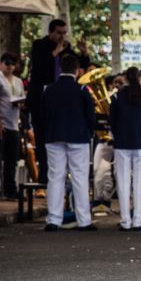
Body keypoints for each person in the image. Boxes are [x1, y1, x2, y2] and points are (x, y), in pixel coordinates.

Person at [27, 19, 90, 186]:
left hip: (59, 100)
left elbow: (78, 65)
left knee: (56, 137)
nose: (62, 36)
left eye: (64, 33)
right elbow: (38, 66)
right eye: (59, 33)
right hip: (40, 97)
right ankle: (43, 176)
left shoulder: (66, 48)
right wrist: (55, 52)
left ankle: (59, 174)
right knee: (41, 135)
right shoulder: (39, 45)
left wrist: (84, 53)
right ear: (51, 32)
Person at [42, 55, 96, 231]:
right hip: (78, 138)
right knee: (79, 177)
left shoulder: (49, 89)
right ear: (77, 70)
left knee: (55, 177)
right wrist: (89, 133)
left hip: (54, 136)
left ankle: (53, 220)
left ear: (60, 69)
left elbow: (43, 114)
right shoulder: (82, 89)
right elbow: (90, 115)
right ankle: (84, 220)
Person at [109, 67, 141, 231]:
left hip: (122, 143)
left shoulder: (116, 96)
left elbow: (112, 121)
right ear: (139, 78)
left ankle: (125, 221)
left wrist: (118, 135)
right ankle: (138, 220)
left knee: (123, 182)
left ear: (125, 78)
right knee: (139, 183)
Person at [0, 53, 24, 201]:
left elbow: (21, 99)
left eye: (12, 63)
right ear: (1, 64)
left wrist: (20, 103)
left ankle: (10, 189)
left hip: (13, 123)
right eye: (7, 63)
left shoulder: (18, 81)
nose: (10, 66)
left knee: (11, 159)